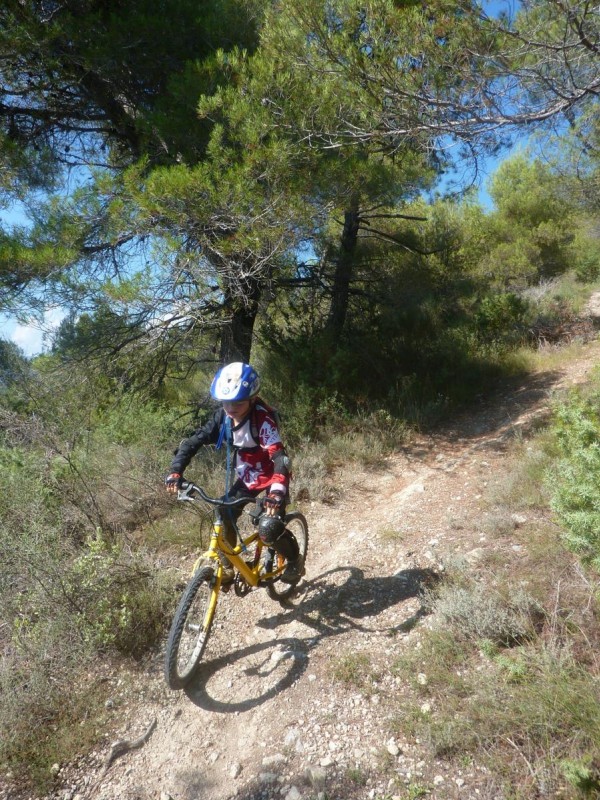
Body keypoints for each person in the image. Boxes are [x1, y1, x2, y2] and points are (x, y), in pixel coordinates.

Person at [165, 362, 303, 584]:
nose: (231, 407)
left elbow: (280, 458)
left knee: (268, 527)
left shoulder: (262, 420)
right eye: (226, 401)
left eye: (238, 402)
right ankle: (228, 567)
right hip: (248, 476)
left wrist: (276, 493)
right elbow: (192, 443)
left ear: (252, 398)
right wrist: (175, 472)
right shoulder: (222, 419)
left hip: (272, 476)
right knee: (223, 514)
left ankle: (295, 561)